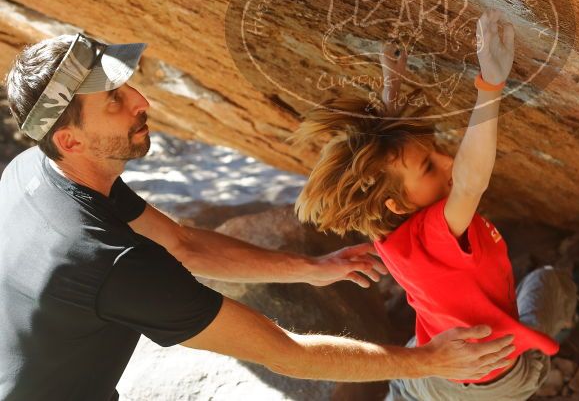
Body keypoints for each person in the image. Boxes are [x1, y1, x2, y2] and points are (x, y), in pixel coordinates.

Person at [0, 33, 516, 401]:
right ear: (71, 139)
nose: (141, 100)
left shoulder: (37, 169)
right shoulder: (114, 263)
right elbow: (286, 353)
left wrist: (312, 269)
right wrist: (429, 361)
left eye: (126, 85)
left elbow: (184, 245)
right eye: (114, 100)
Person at [293, 10, 579, 400]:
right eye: (429, 166)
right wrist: (490, 84)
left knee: (409, 391)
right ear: (397, 204)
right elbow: (469, 181)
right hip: (492, 380)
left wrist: (392, 82)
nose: (447, 162)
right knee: (548, 280)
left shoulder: (386, 228)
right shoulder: (433, 232)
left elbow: (389, 161)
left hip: (431, 361)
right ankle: (563, 326)